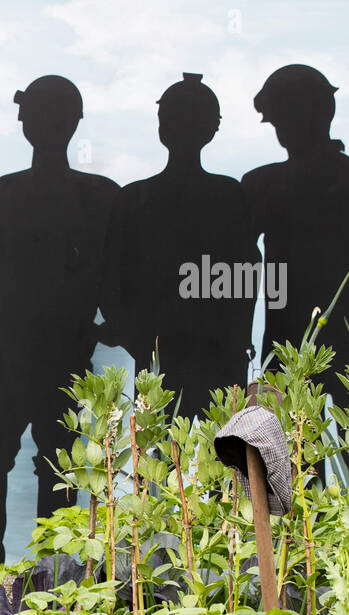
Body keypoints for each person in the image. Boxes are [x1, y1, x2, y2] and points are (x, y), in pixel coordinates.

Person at [0, 76, 118, 568]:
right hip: (60, 343)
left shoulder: (5, 193)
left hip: (11, 342)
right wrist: (105, 328)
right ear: (74, 122)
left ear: (28, 122)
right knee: (57, 458)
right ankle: (53, 569)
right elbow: (113, 278)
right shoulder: (101, 195)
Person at [242, 65, 349, 413]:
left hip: (307, 343)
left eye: (282, 119)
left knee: (310, 449)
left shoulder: (265, 186)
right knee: (343, 450)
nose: (282, 130)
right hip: (314, 343)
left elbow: (242, 267)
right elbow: (243, 265)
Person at [101, 73, 259, 419]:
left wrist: (135, 337)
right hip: (207, 351)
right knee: (208, 452)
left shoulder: (135, 198)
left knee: (165, 452)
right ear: (212, 129)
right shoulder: (228, 195)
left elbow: (110, 280)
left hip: (181, 350)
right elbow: (247, 274)